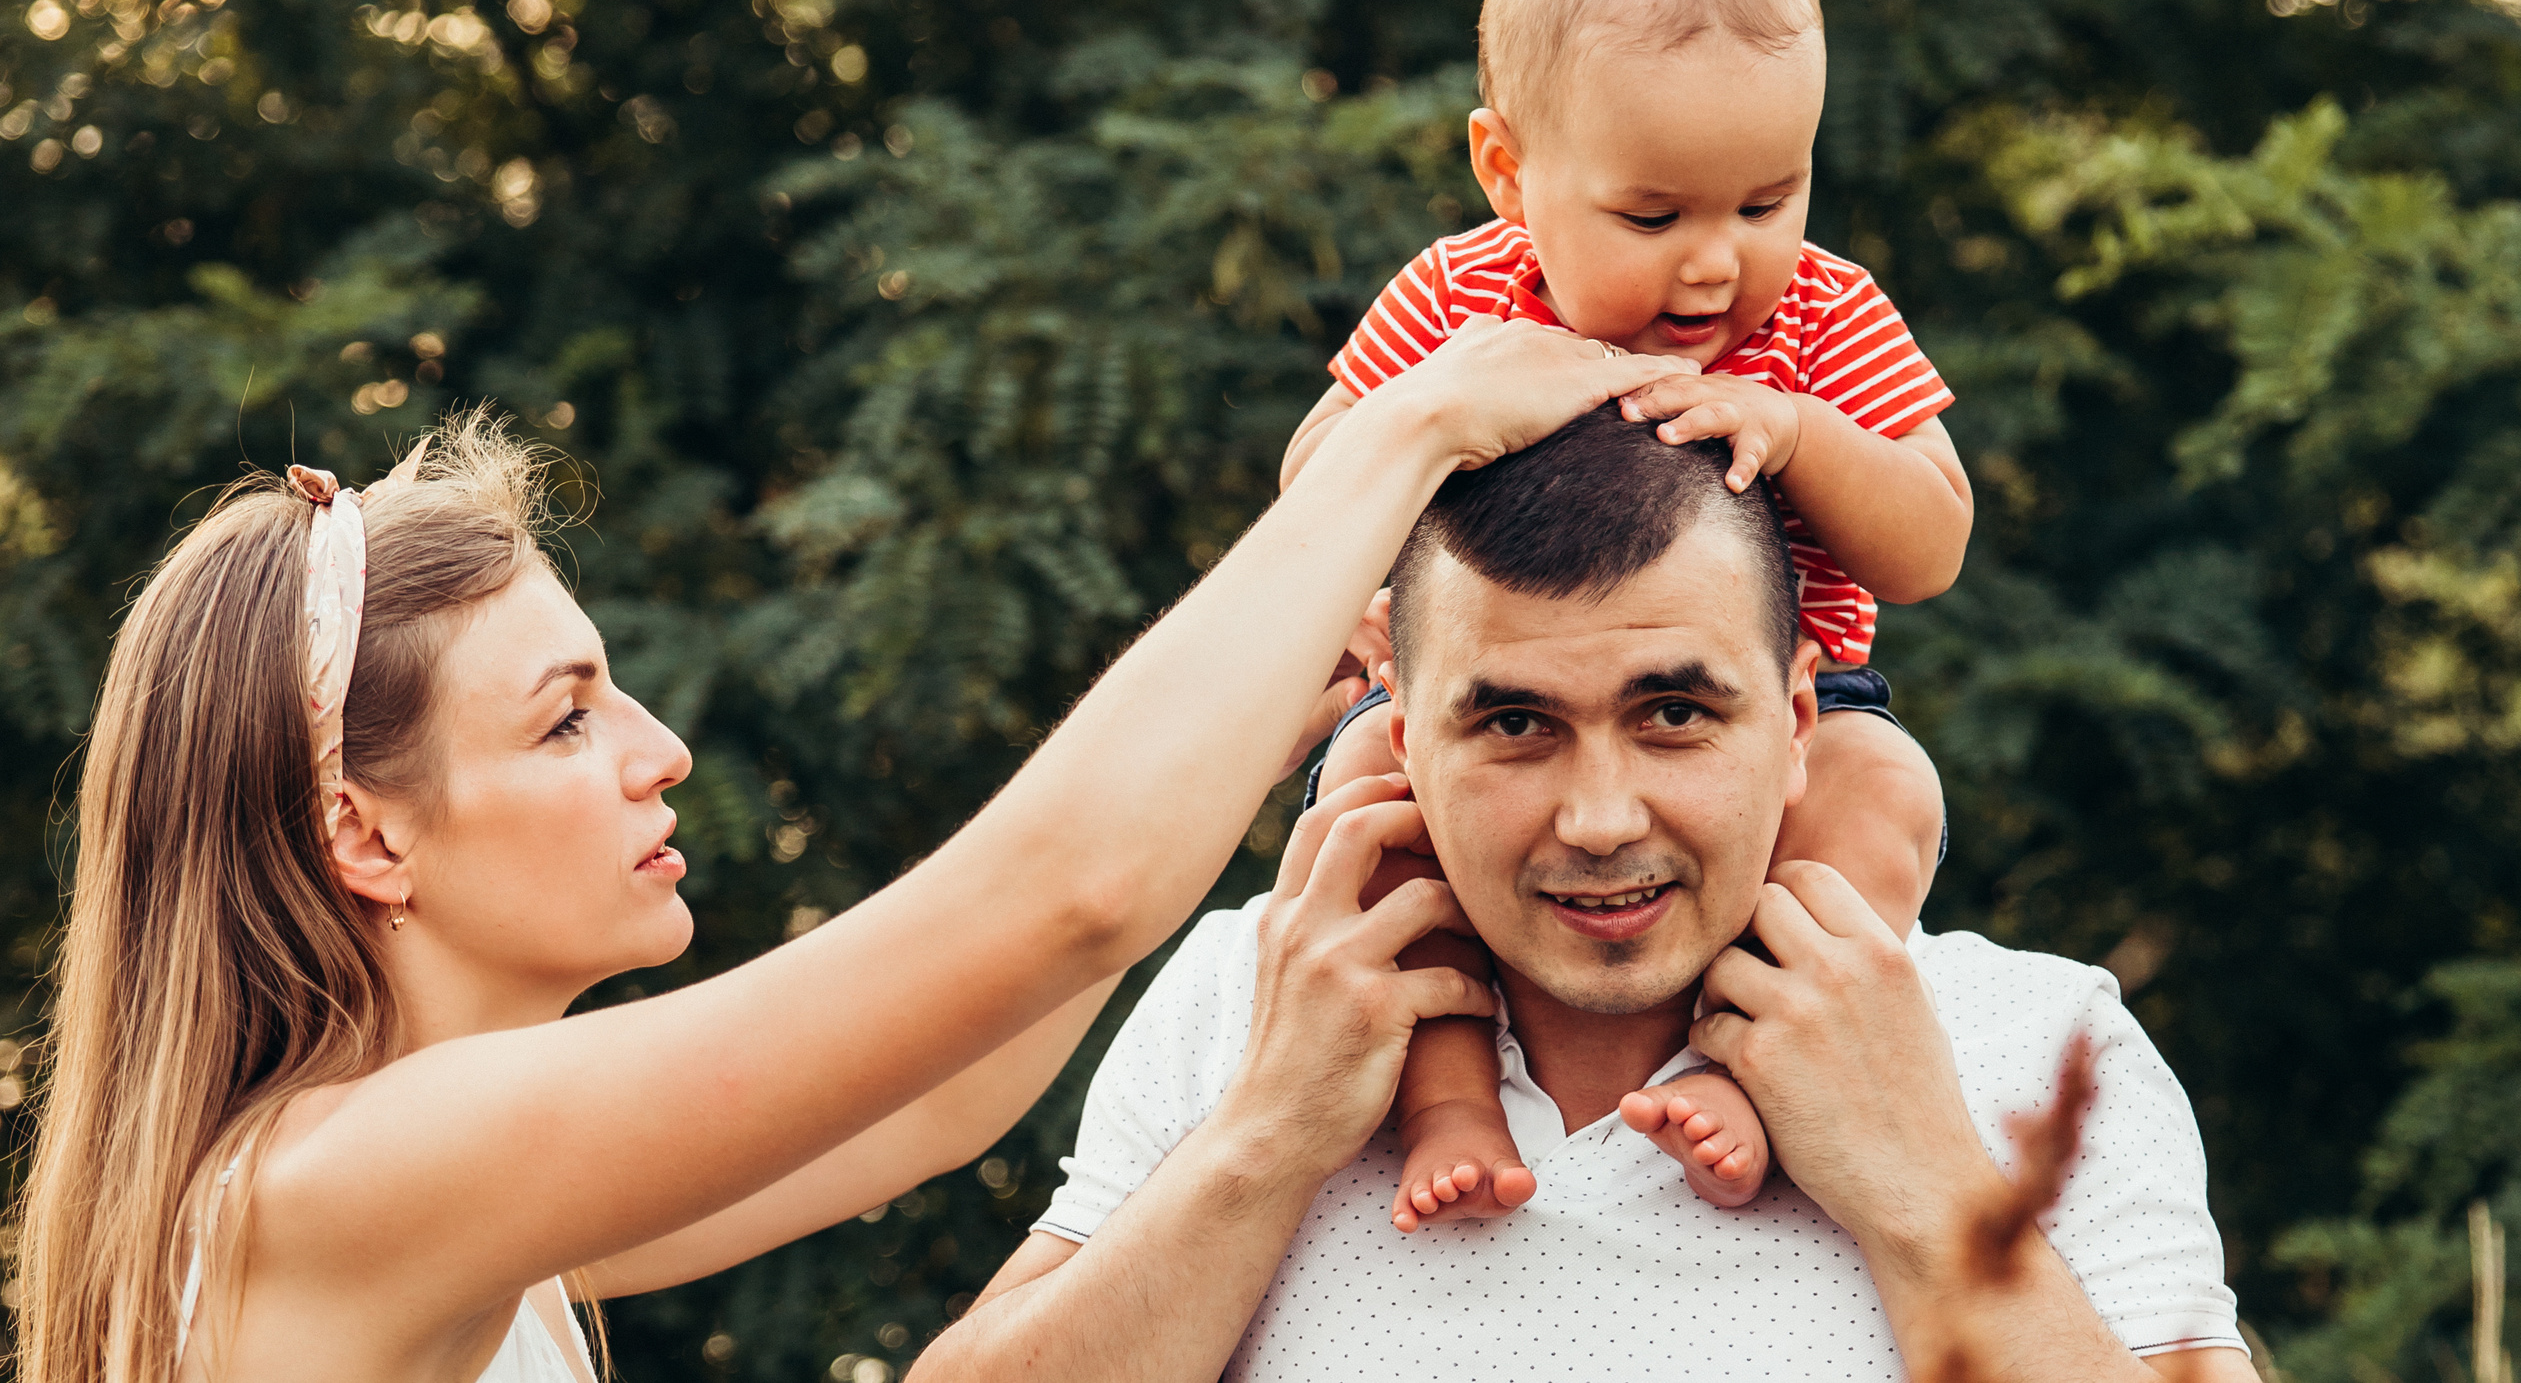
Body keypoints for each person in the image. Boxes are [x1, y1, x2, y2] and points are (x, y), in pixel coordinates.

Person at [9, 320, 1689, 1383]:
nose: (663, 753)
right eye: (566, 719)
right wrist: (1412, 430)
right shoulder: (352, 1180)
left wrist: (1268, 721)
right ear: (364, 832)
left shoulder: (430, 1198)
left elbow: (942, 1096)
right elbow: (1063, 893)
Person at [920, 410, 2255, 1382]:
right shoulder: (1258, 990)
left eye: (1675, 712)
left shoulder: (2037, 1039)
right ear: (1399, 737)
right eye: (1512, 725)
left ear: (1800, 720)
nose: (1601, 818)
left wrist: (1925, 1190)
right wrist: (1264, 1139)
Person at [1277, 0, 1972, 1229]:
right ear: (1508, 171)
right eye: (1653, 218)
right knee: (1365, 792)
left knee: (1883, 794)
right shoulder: (1462, 298)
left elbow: (1931, 542)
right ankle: (1447, 1094)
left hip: (1786, 711)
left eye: (1767, 203)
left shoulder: (1825, 320)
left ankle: (1748, 1065)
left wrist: (1802, 432)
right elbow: (1319, 470)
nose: (1716, 266)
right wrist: (1360, 570)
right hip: (1488, 716)